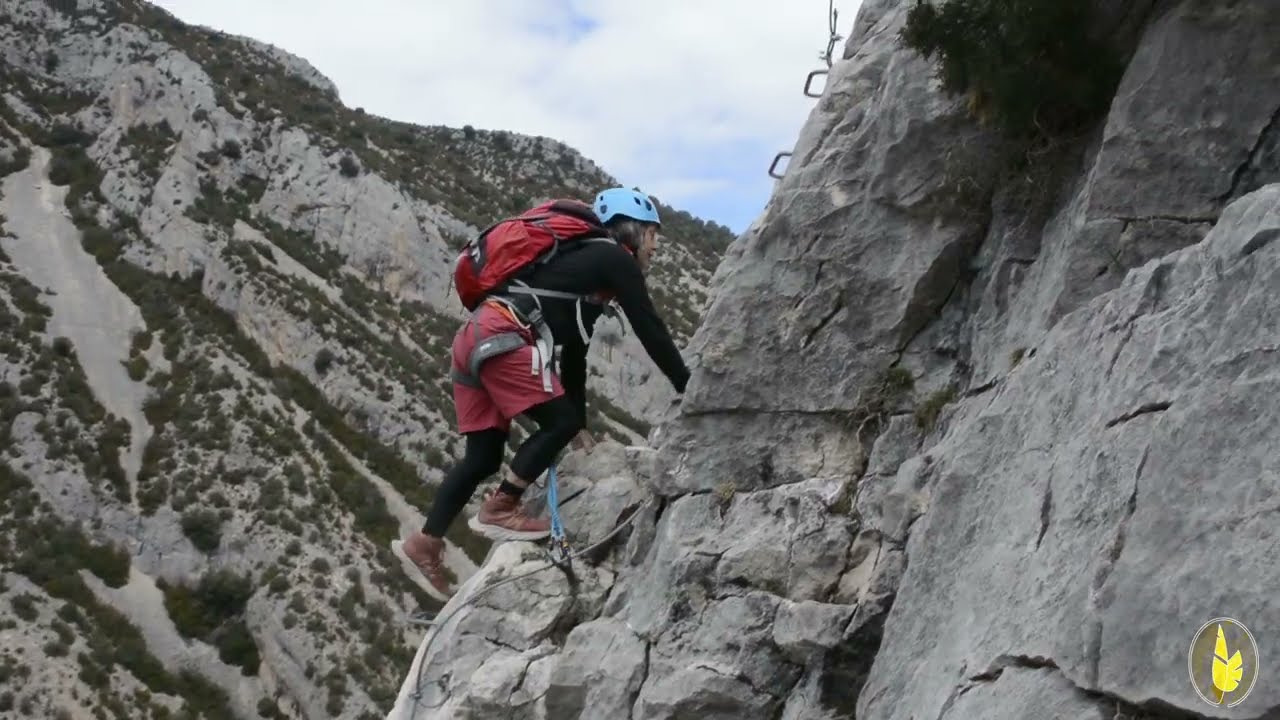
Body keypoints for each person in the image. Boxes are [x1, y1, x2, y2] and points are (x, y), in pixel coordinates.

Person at [399, 187, 691, 599]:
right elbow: (651, 329)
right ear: (630, 230)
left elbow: (574, 354)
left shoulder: (582, 272)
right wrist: (688, 387)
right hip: (503, 336)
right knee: (560, 421)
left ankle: (425, 542)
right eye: (652, 234)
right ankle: (501, 507)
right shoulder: (613, 259)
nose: (656, 246)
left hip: (474, 337)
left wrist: (581, 429)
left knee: (483, 457)